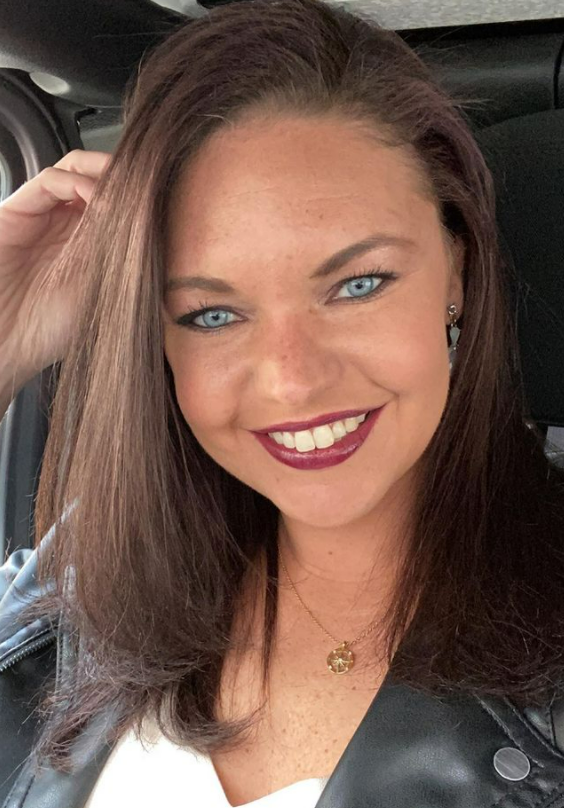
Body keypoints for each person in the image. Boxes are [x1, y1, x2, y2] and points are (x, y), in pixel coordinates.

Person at [2, 0, 564, 805]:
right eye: (212, 315)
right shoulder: (95, 569)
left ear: (458, 270)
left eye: (358, 285)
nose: (293, 381)